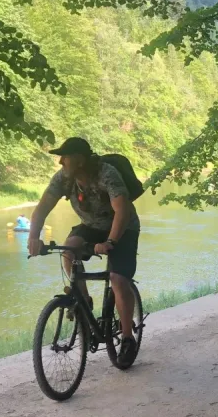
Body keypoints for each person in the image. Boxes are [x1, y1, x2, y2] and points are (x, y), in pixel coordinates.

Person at [27, 137, 142, 367]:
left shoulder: (106, 174)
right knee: (69, 250)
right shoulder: (63, 178)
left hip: (123, 227)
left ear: (79, 160)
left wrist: (110, 241)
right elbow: (42, 208)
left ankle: (127, 337)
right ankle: (83, 302)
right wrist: (33, 237)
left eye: (65, 157)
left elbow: (122, 210)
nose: (60, 161)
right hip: (91, 226)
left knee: (118, 279)